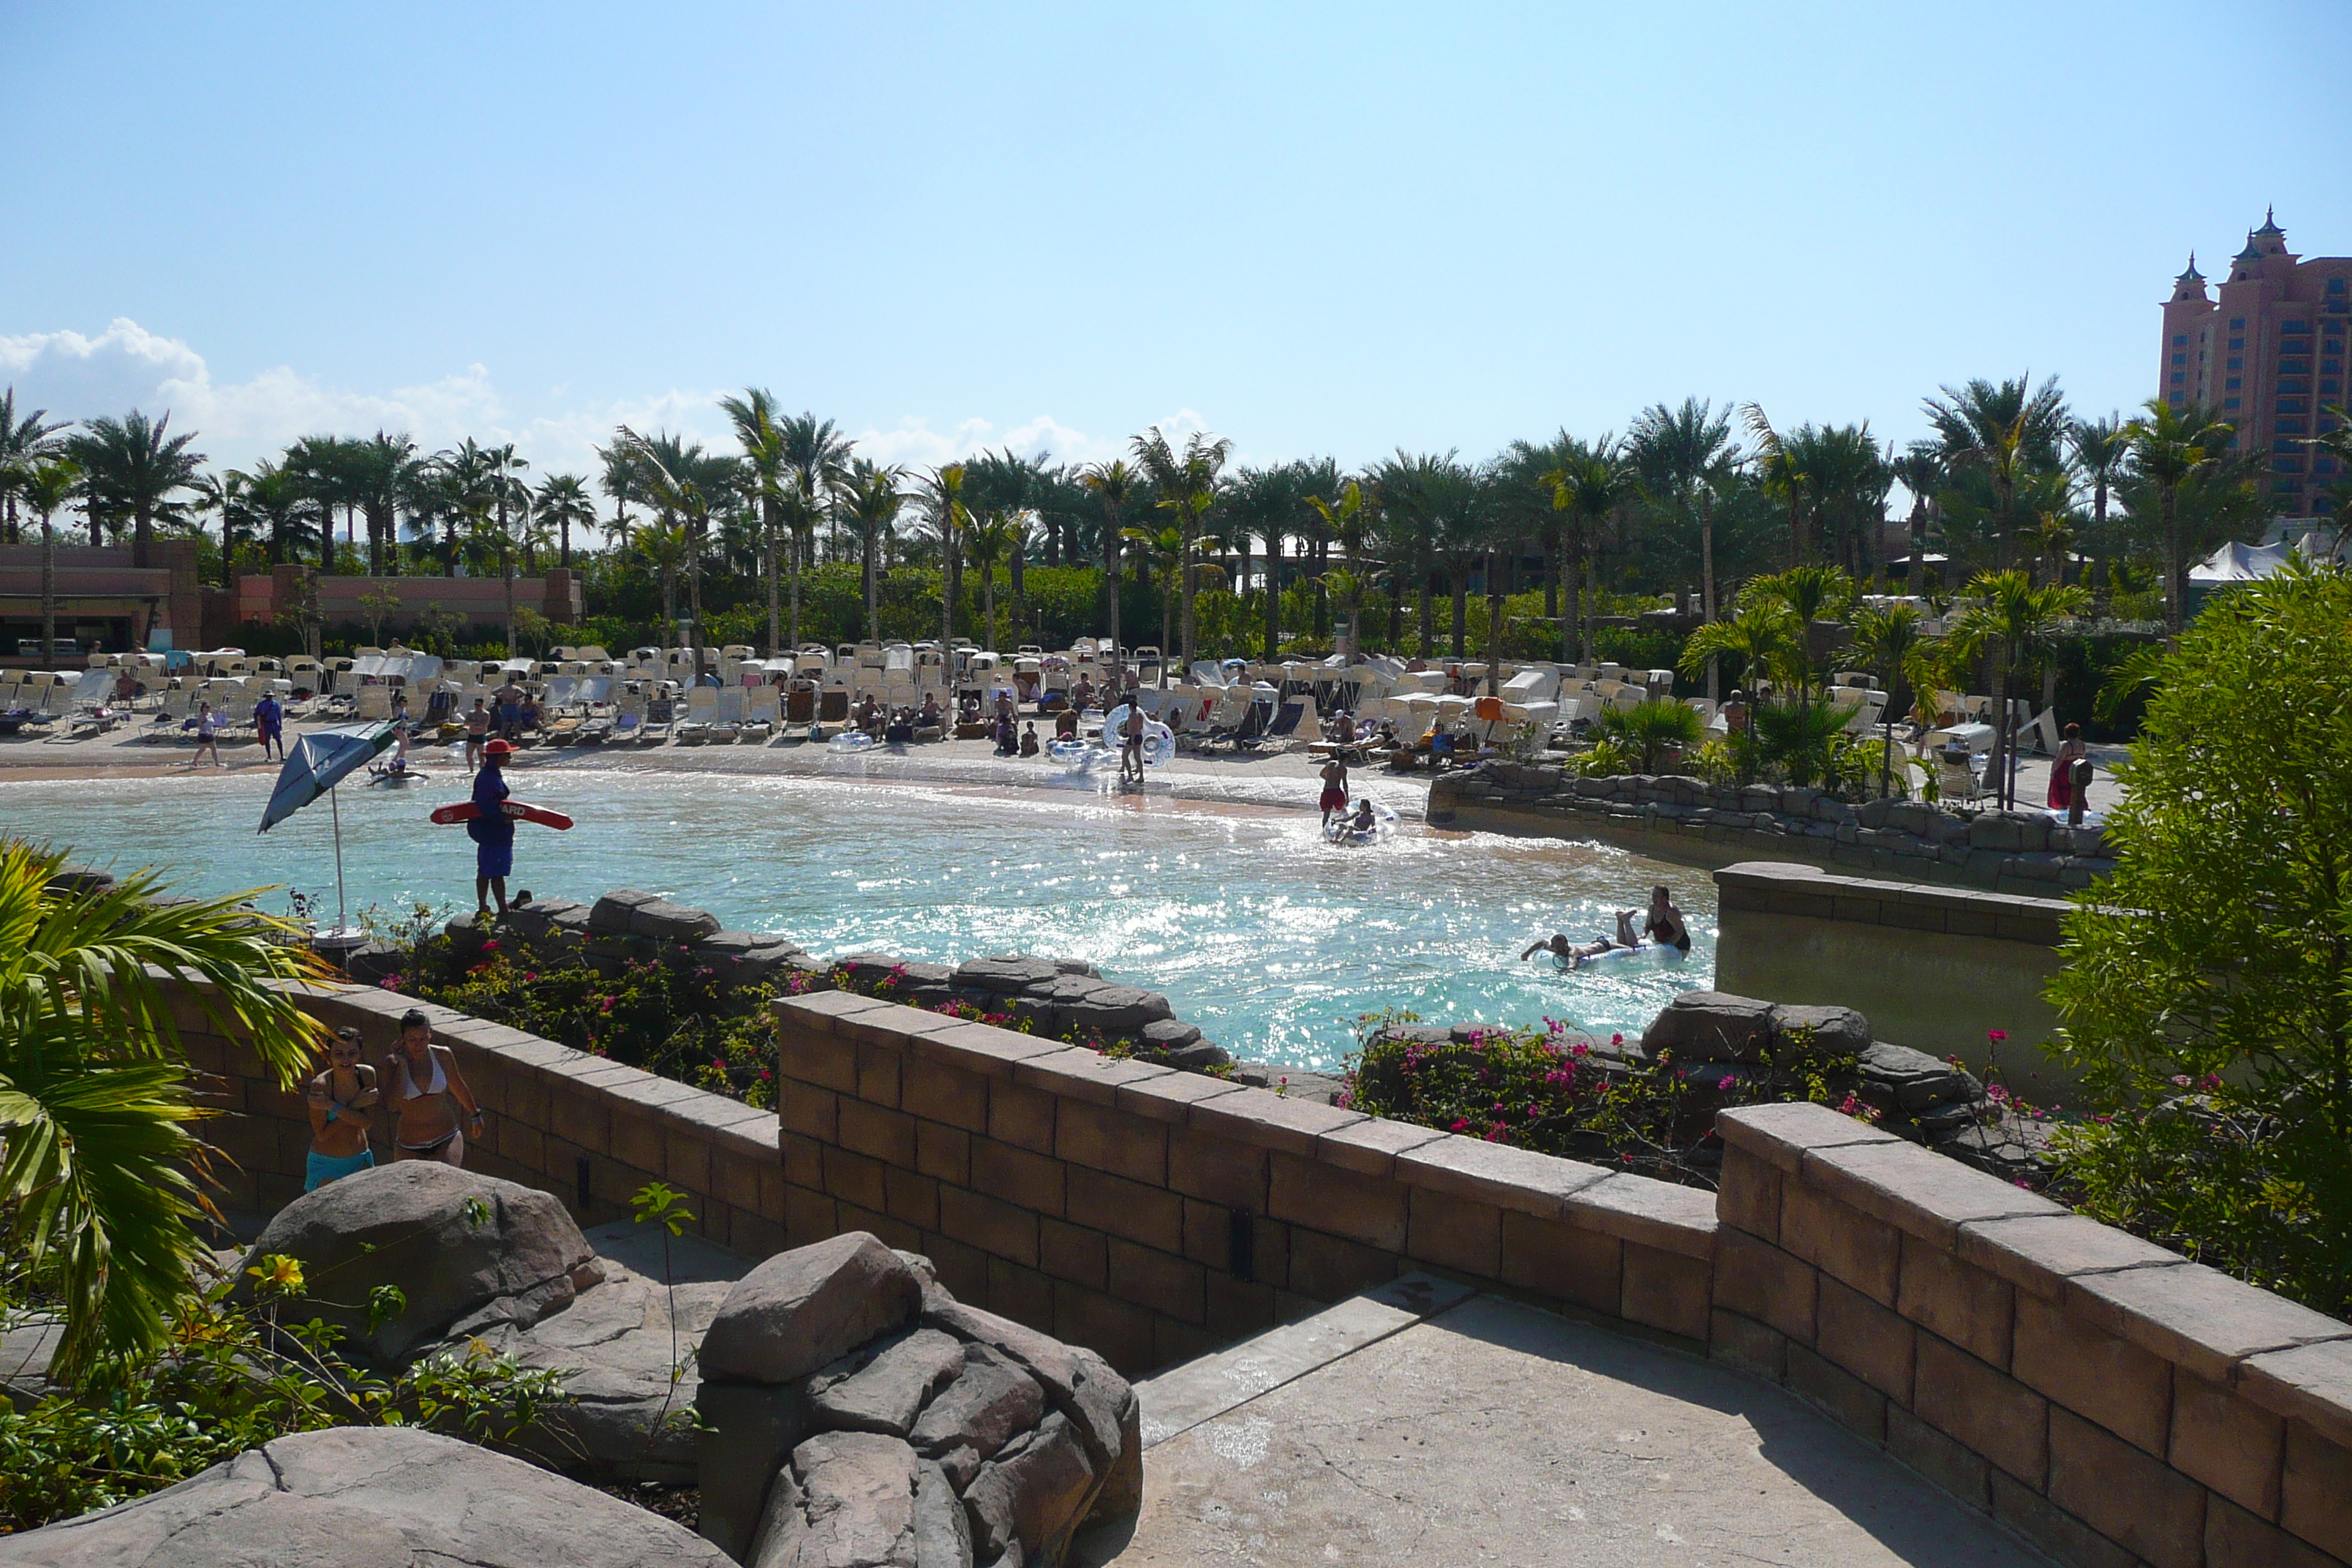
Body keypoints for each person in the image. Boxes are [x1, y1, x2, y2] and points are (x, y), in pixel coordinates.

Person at [387, 1008, 483, 1166]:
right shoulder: (393, 1063)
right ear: (402, 1038)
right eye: (412, 1040)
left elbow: (458, 1085)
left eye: (423, 1038)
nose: (418, 1044)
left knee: (446, 1184)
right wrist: (402, 1064)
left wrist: (475, 1114)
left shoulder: (443, 1056)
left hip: (446, 1136)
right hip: (409, 1144)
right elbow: (391, 1104)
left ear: (431, 1033)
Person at [304, 1025, 380, 1191]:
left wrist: (332, 1106)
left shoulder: (366, 1076)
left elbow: (367, 1123)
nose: (346, 1060)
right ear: (329, 1055)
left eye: (352, 1053)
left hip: (361, 1160)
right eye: (339, 1054)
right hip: (327, 1164)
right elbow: (322, 1134)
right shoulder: (321, 1086)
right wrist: (354, 1106)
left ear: (360, 1053)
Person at [469, 738, 517, 916]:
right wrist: (501, 818)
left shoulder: (490, 774)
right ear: (498, 757)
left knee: (485, 870)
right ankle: (501, 909)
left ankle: (484, 906)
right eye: (507, 755)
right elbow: (486, 805)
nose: (510, 759)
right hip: (494, 832)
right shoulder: (489, 779)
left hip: (489, 832)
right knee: (496, 874)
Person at [1521, 909, 1643, 968]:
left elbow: (1573, 963)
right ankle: (1620, 920)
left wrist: (1566, 971)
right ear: (1553, 947)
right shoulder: (1553, 948)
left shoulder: (1572, 952)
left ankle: (1625, 921)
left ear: (1567, 944)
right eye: (1557, 948)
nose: (1561, 950)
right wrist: (1526, 954)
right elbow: (1542, 942)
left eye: (1563, 946)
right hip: (1595, 944)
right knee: (1627, 946)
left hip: (1604, 946)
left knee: (1634, 951)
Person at [2047, 723, 2089, 813]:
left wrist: (2053, 771)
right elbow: (2083, 757)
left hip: (2064, 769)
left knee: (2061, 790)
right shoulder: (2082, 744)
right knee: (2075, 789)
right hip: (2077, 768)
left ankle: (2062, 808)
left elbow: (2060, 759)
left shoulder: (2066, 744)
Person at [1642, 885, 1692, 954]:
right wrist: (1643, 935)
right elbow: (1647, 926)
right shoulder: (1652, 909)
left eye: (1657, 896)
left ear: (1665, 898)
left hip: (1679, 946)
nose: (1654, 898)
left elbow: (1680, 931)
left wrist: (1669, 945)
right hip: (1661, 945)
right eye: (1653, 895)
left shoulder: (1671, 912)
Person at [253, 690, 285, 761]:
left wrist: (280, 724)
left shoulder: (276, 704)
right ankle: (269, 756)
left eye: (270, 696)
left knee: (278, 740)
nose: (269, 698)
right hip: (266, 724)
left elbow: (279, 715)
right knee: (267, 740)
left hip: (274, 723)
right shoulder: (261, 704)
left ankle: (282, 756)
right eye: (268, 696)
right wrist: (258, 724)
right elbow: (256, 714)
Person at [1319, 755, 1350, 826]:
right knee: (1343, 808)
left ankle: (1324, 829)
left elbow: (1321, 774)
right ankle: (1345, 825)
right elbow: (1344, 783)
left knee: (1326, 813)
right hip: (1335, 790)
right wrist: (1347, 796)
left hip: (1326, 790)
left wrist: (1329, 779)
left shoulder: (1330, 763)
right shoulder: (1343, 768)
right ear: (1346, 759)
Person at [190, 701, 223, 768]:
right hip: (203, 734)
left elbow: (211, 724)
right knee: (203, 749)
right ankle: (194, 761)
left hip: (211, 733)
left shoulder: (210, 715)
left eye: (209, 707)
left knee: (214, 748)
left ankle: (217, 763)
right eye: (206, 707)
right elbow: (200, 725)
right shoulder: (201, 716)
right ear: (203, 708)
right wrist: (205, 732)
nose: (208, 708)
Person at [1120, 703, 1145, 785]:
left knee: (1124, 755)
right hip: (1139, 736)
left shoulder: (1132, 716)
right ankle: (1141, 776)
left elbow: (1133, 728)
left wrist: (1132, 738)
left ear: (1130, 707)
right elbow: (1140, 727)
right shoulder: (1140, 715)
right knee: (1137, 757)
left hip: (1133, 737)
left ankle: (1130, 775)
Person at [464, 697, 491, 769]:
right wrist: (476, 724)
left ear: (482, 705)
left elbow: (483, 726)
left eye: (478, 705)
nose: (476, 706)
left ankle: (482, 770)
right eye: (475, 705)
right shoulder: (471, 713)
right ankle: (471, 769)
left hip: (480, 736)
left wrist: (473, 724)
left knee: (481, 756)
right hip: (471, 735)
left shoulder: (486, 714)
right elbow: (466, 723)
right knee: (469, 755)